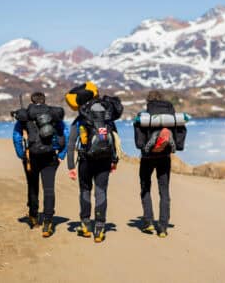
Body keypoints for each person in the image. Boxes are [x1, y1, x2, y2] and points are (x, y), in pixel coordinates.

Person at [65, 82, 122, 243]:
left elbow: (71, 144)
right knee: (101, 192)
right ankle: (99, 228)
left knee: (85, 190)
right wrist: (114, 161)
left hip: (85, 161)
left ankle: (85, 225)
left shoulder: (81, 118)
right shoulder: (108, 116)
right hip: (104, 160)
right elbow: (115, 140)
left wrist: (71, 166)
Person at [12, 91, 68, 238]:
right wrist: (61, 154)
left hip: (31, 157)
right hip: (50, 156)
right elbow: (65, 133)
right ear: (44, 100)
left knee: (33, 186)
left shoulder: (25, 116)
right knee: (49, 189)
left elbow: (17, 136)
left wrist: (21, 154)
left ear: (31, 100)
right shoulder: (53, 114)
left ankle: (33, 216)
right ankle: (48, 223)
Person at [133, 90, 182, 238]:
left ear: (148, 101)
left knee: (145, 187)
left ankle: (148, 222)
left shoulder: (145, 116)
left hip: (148, 157)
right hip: (165, 157)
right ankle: (162, 227)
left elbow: (139, 142)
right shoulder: (171, 116)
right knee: (164, 191)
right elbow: (180, 133)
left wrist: (144, 146)